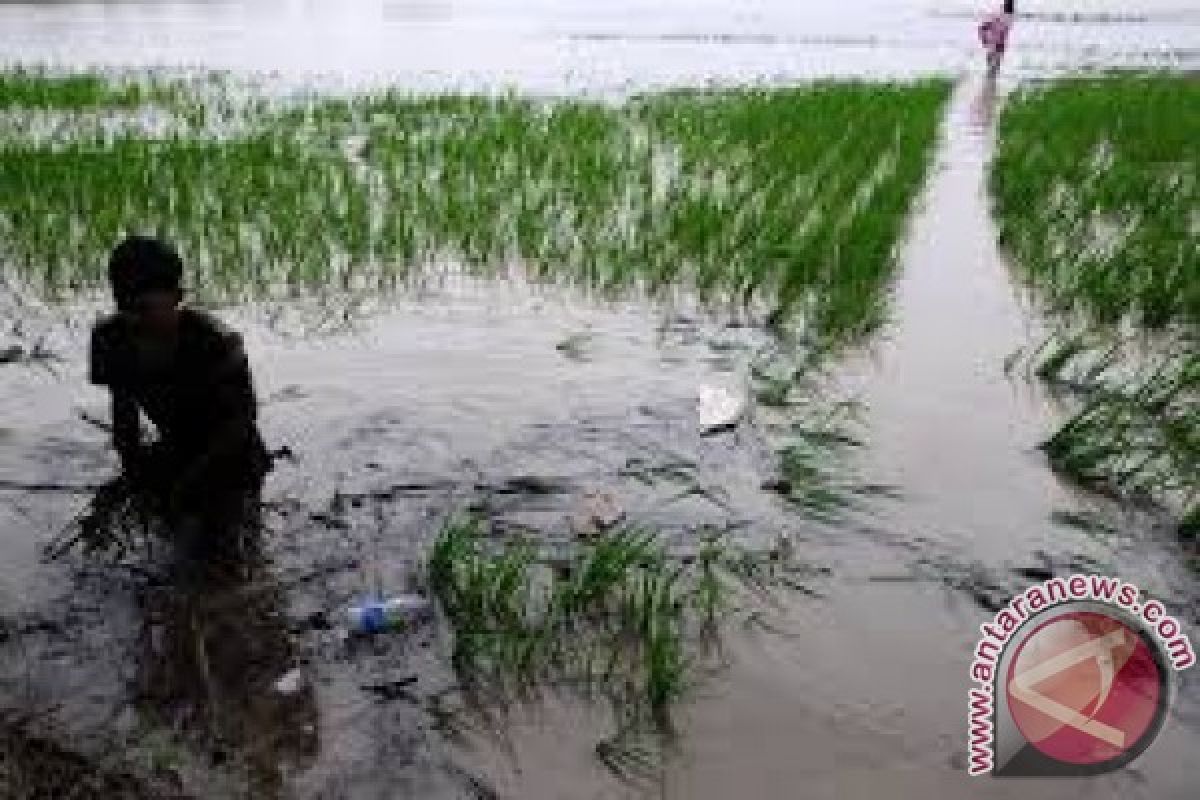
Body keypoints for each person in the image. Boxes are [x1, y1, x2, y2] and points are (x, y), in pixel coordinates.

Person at [89, 235, 270, 562]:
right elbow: (124, 414)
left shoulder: (217, 342)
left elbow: (241, 423)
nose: (133, 320)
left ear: (177, 298)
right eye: (124, 307)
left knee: (229, 553)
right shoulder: (110, 338)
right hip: (177, 446)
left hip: (230, 455)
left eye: (144, 308)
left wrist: (186, 483)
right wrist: (135, 475)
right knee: (175, 550)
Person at [979, 0, 1016, 74]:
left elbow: (984, 27)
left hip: (997, 42)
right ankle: (991, 77)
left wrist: (984, 38)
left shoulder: (1006, 16)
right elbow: (984, 27)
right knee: (994, 65)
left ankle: (991, 77)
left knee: (994, 65)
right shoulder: (1004, 16)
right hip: (996, 41)